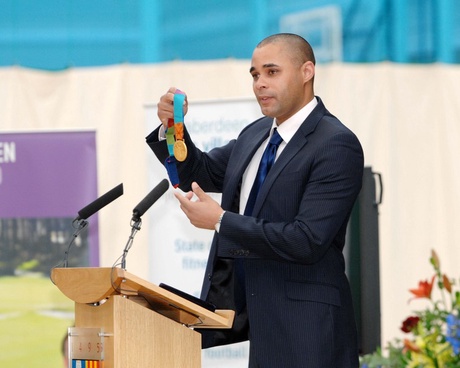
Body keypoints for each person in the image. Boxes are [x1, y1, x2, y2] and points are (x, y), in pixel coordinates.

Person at [146, 33, 364, 367]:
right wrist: (174, 128)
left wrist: (220, 221)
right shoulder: (256, 134)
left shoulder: (336, 144)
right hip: (261, 327)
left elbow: (306, 240)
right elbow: (200, 172)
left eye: (271, 72)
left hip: (310, 332)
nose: (259, 83)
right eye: (255, 74)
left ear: (307, 72)